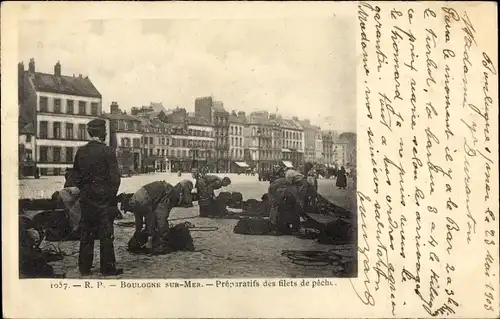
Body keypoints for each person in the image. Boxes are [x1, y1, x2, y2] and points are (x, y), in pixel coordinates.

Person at [72, 119, 122, 276]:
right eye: (105, 132)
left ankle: (84, 268)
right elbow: (115, 180)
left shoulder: (81, 152)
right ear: (102, 134)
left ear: (89, 133)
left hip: (86, 200)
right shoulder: (108, 152)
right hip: (104, 201)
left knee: (86, 234)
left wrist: (86, 192)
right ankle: (107, 268)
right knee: (106, 235)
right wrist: (109, 196)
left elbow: (76, 177)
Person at [128, 181, 181, 251]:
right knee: (156, 220)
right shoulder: (134, 203)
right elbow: (139, 223)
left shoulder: (139, 204)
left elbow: (151, 220)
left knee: (160, 218)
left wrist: (149, 240)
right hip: (156, 193)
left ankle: (164, 242)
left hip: (167, 192)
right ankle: (158, 237)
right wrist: (137, 236)